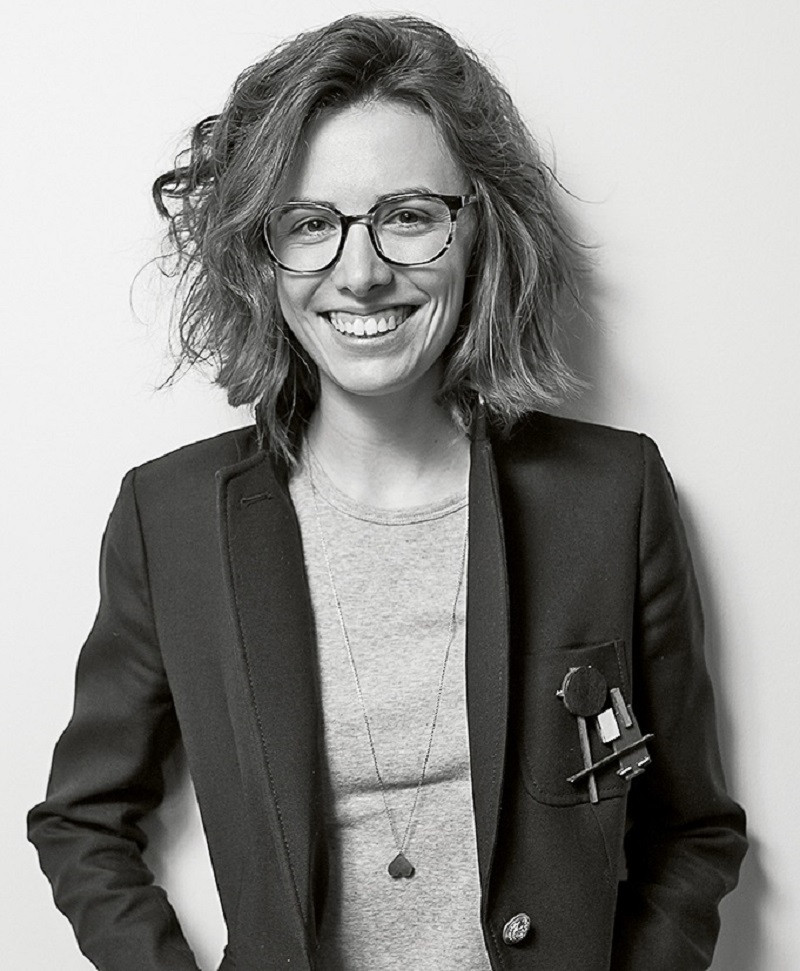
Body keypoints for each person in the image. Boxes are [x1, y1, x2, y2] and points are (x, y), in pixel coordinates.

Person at [28, 14, 747, 971]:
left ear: (478, 230)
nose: (361, 274)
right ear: (261, 256)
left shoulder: (613, 497)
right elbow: (81, 820)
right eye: (310, 224)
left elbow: (693, 831)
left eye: (407, 215)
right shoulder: (170, 520)